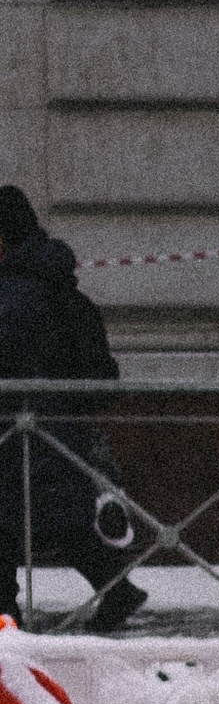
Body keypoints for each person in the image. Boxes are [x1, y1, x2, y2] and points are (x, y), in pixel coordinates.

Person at [0, 186, 144, 629]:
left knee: (12, 521)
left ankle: (6, 619)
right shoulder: (51, 282)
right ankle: (117, 589)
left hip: (23, 431)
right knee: (55, 520)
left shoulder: (16, 296)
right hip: (53, 430)